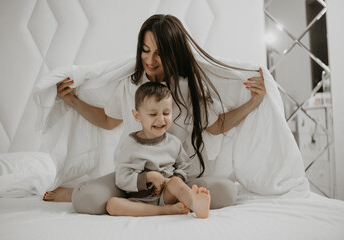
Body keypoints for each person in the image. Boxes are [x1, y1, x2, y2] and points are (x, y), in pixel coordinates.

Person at [43, 14, 266, 215]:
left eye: (159, 53)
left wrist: (253, 102)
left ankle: (156, 205)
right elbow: (107, 120)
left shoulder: (189, 87)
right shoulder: (130, 84)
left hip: (174, 181)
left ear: (174, 52)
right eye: (145, 50)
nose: (150, 60)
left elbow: (217, 126)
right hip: (130, 180)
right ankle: (131, 201)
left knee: (227, 191)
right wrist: (71, 100)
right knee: (85, 199)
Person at [106, 82, 210, 218]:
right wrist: (149, 177)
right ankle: (166, 211)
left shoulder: (173, 142)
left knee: (176, 183)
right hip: (139, 201)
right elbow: (121, 178)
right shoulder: (131, 145)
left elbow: (184, 166)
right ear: (137, 116)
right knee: (112, 205)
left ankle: (196, 206)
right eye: (153, 114)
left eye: (166, 113)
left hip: (167, 196)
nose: (161, 119)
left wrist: (170, 180)